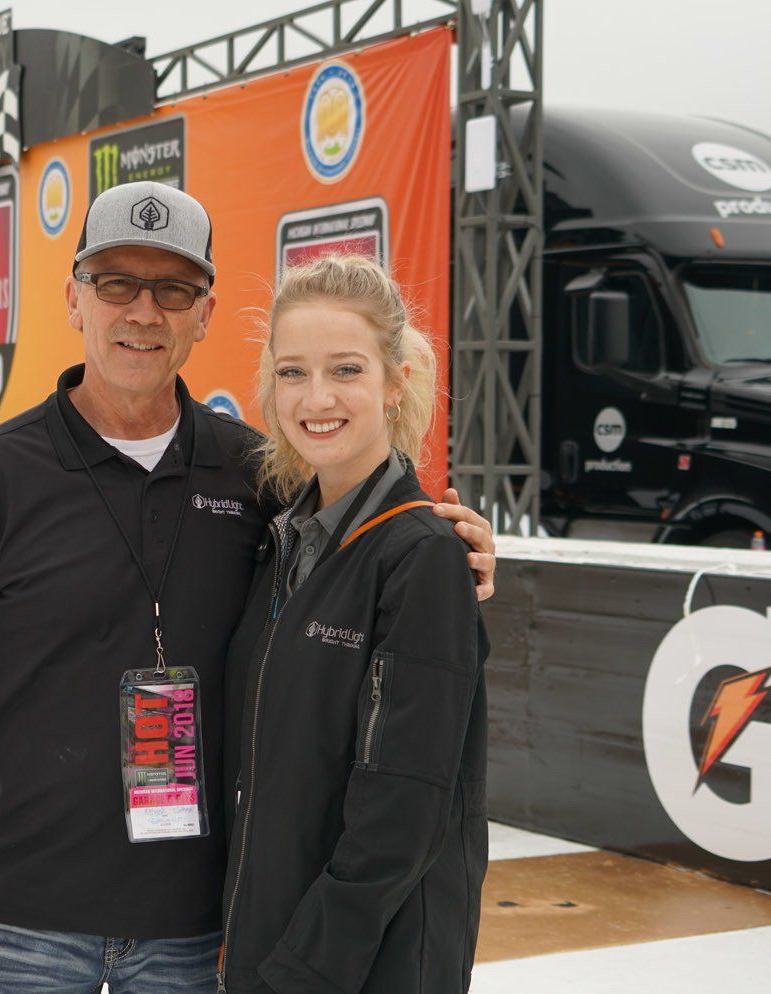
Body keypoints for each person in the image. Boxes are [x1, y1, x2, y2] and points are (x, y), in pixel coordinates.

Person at [0, 182, 496, 994]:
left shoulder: (260, 477)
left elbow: (367, 536)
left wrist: (453, 549)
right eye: (116, 283)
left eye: (172, 289)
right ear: (74, 298)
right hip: (23, 925)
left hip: (201, 937)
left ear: (204, 314)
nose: (144, 312)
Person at [218, 255, 489, 994]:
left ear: (395, 381)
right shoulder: (284, 541)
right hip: (269, 947)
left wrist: (304, 970)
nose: (317, 397)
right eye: (293, 372)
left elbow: (405, 808)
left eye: (345, 369)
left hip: (355, 967)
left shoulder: (423, 556)